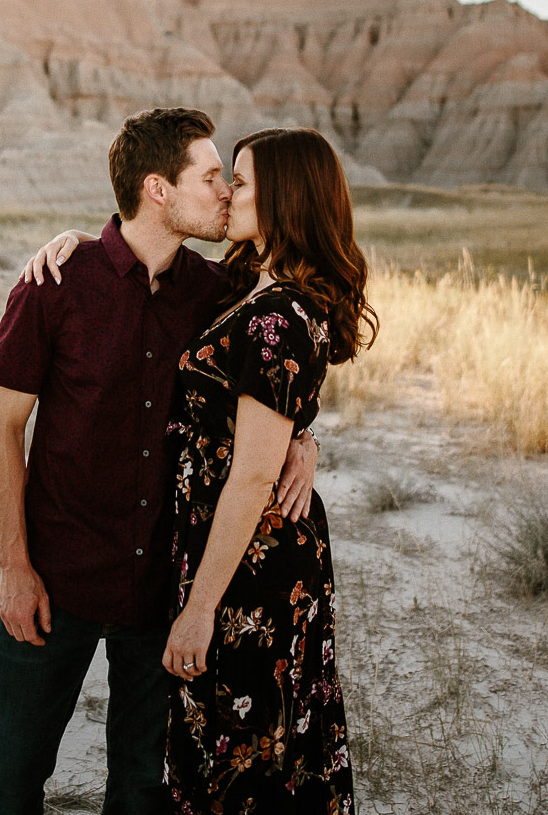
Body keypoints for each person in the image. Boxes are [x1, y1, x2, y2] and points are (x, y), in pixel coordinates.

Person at [0, 108, 319, 815]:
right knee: (9, 784)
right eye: (212, 175)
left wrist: (305, 440)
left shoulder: (217, 292)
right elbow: (1, 428)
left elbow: (283, 363)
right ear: (159, 188)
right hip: (54, 582)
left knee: (141, 792)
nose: (226, 191)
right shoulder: (56, 282)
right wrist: (14, 565)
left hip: (163, 591)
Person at [37, 128, 371, 814]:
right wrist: (83, 244)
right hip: (227, 552)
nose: (225, 194)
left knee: (242, 758)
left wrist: (196, 612)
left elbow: (250, 476)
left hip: (249, 565)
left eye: (239, 183)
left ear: (284, 200)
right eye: (221, 179)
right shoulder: (249, 288)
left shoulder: (279, 314)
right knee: (228, 750)